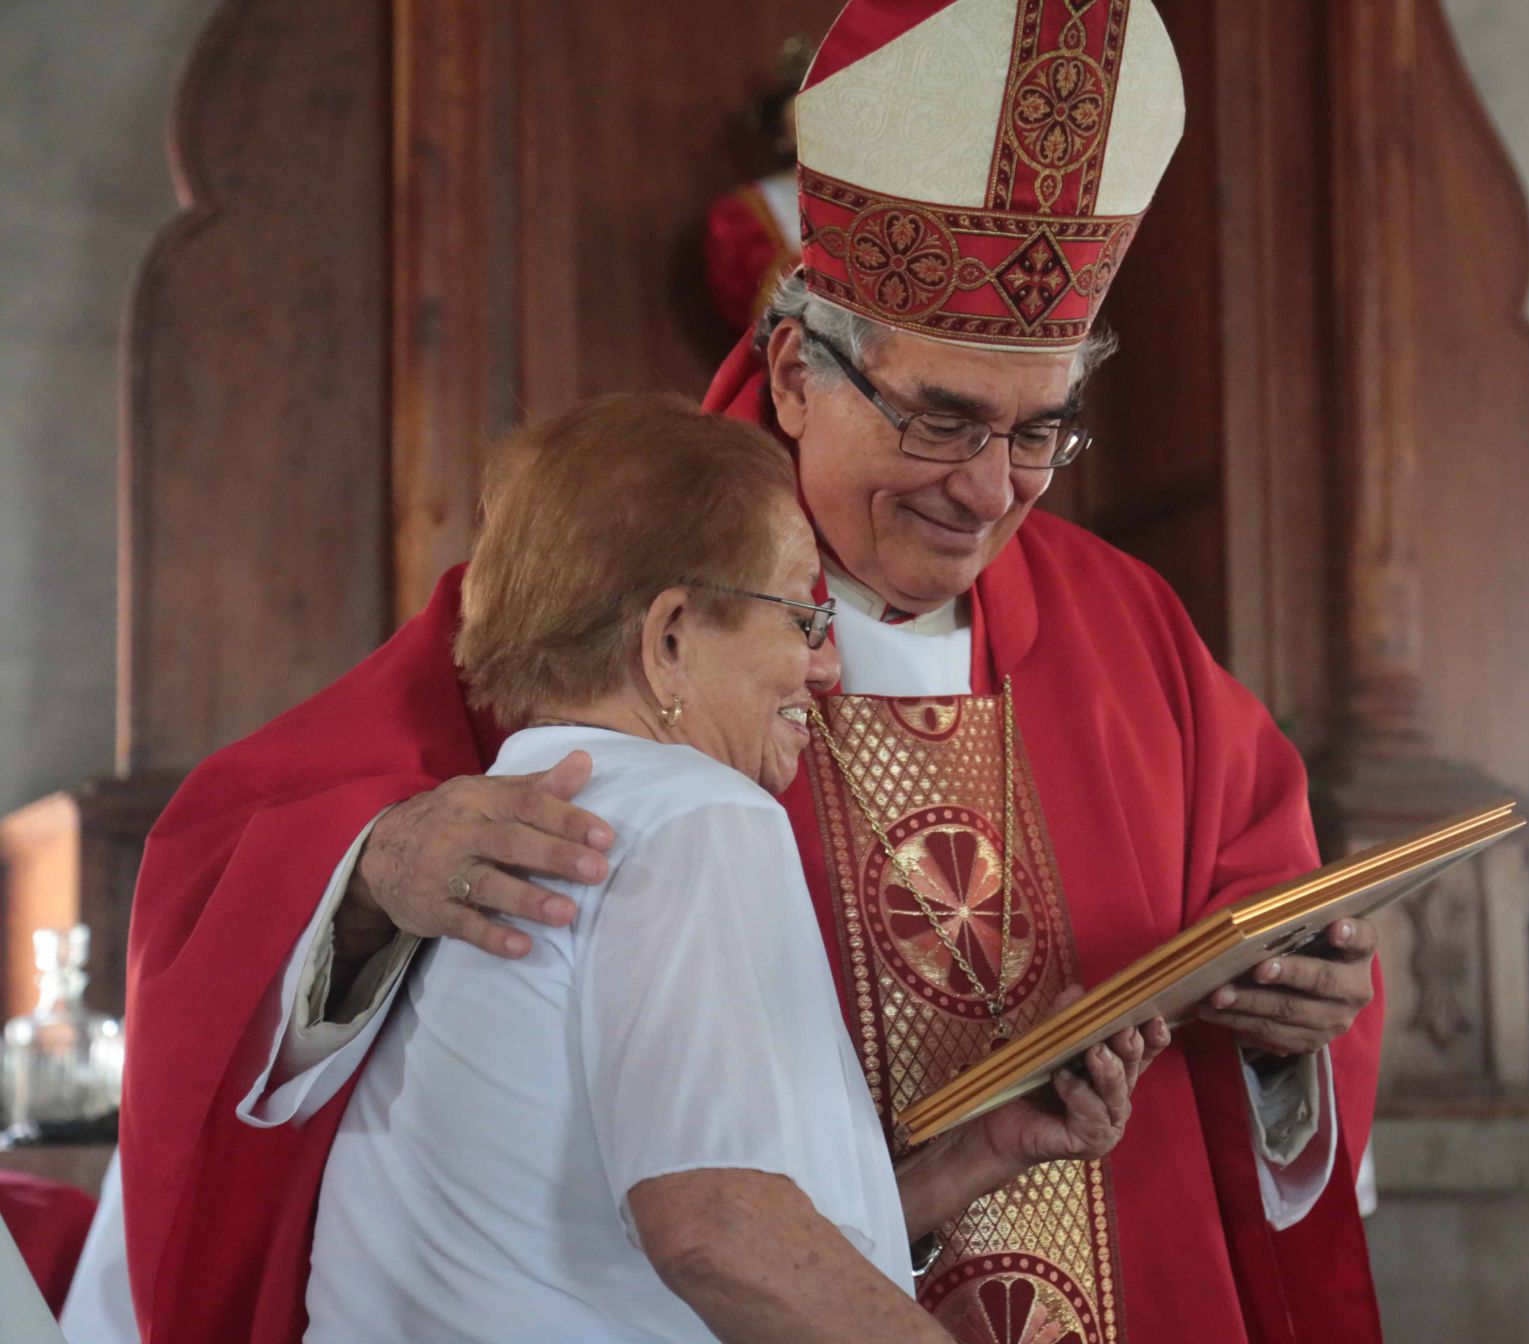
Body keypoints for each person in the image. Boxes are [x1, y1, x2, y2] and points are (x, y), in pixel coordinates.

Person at [121, 3, 1387, 1341]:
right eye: (941, 418)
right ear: (797, 369)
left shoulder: (1130, 631)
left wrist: (1289, 1029)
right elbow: (230, 871)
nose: (986, 491)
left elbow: (1267, 919)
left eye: (1038, 434)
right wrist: (375, 878)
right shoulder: (602, 583)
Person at [300, 393, 1162, 1343]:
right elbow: (712, 1231)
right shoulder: (691, 810)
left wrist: (983, 1150)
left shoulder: (539, 816)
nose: (828, 668)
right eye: (801, 618)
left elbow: (595, 1234)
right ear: (670, 638)